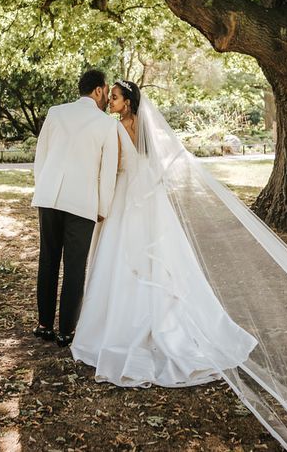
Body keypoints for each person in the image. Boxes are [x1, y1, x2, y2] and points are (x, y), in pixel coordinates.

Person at [70, 79, 258, 386]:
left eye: (115, 98)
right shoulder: (145, 129)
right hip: (150, 196)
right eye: (111, 97)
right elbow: (154, 163)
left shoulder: (113, 127)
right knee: (160, 256)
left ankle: (119, 327)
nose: (111, 102)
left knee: (121, 255)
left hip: (126, 194)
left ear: (126, 102)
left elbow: (115, 165)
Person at [31, 69, 121, 347]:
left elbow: (41, 157)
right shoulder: (107, 124)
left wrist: (43, 189)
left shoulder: (55, 112)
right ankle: (66, 331)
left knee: (47, 261)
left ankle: (44, 324)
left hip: (49, 198)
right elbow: (107, 174)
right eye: (106, 92)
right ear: (98, 90)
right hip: (82, 203)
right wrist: (103, 207)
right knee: (74, 266)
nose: (107, 98)